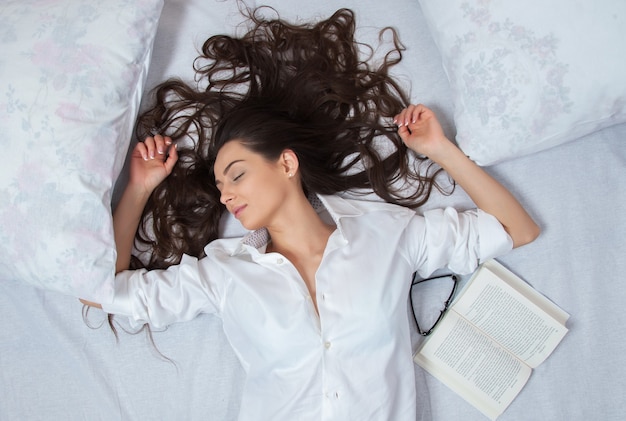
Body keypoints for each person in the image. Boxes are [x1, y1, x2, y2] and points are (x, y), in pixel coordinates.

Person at [83, 7, 540, 420]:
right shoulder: (225, 275)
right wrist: (140, 188)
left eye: (237, 175)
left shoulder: (387, 234)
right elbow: (101, 291)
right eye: (221, 186)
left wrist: (440, 149)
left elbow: (515, 229)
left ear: (286, 163)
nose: (226, 196)